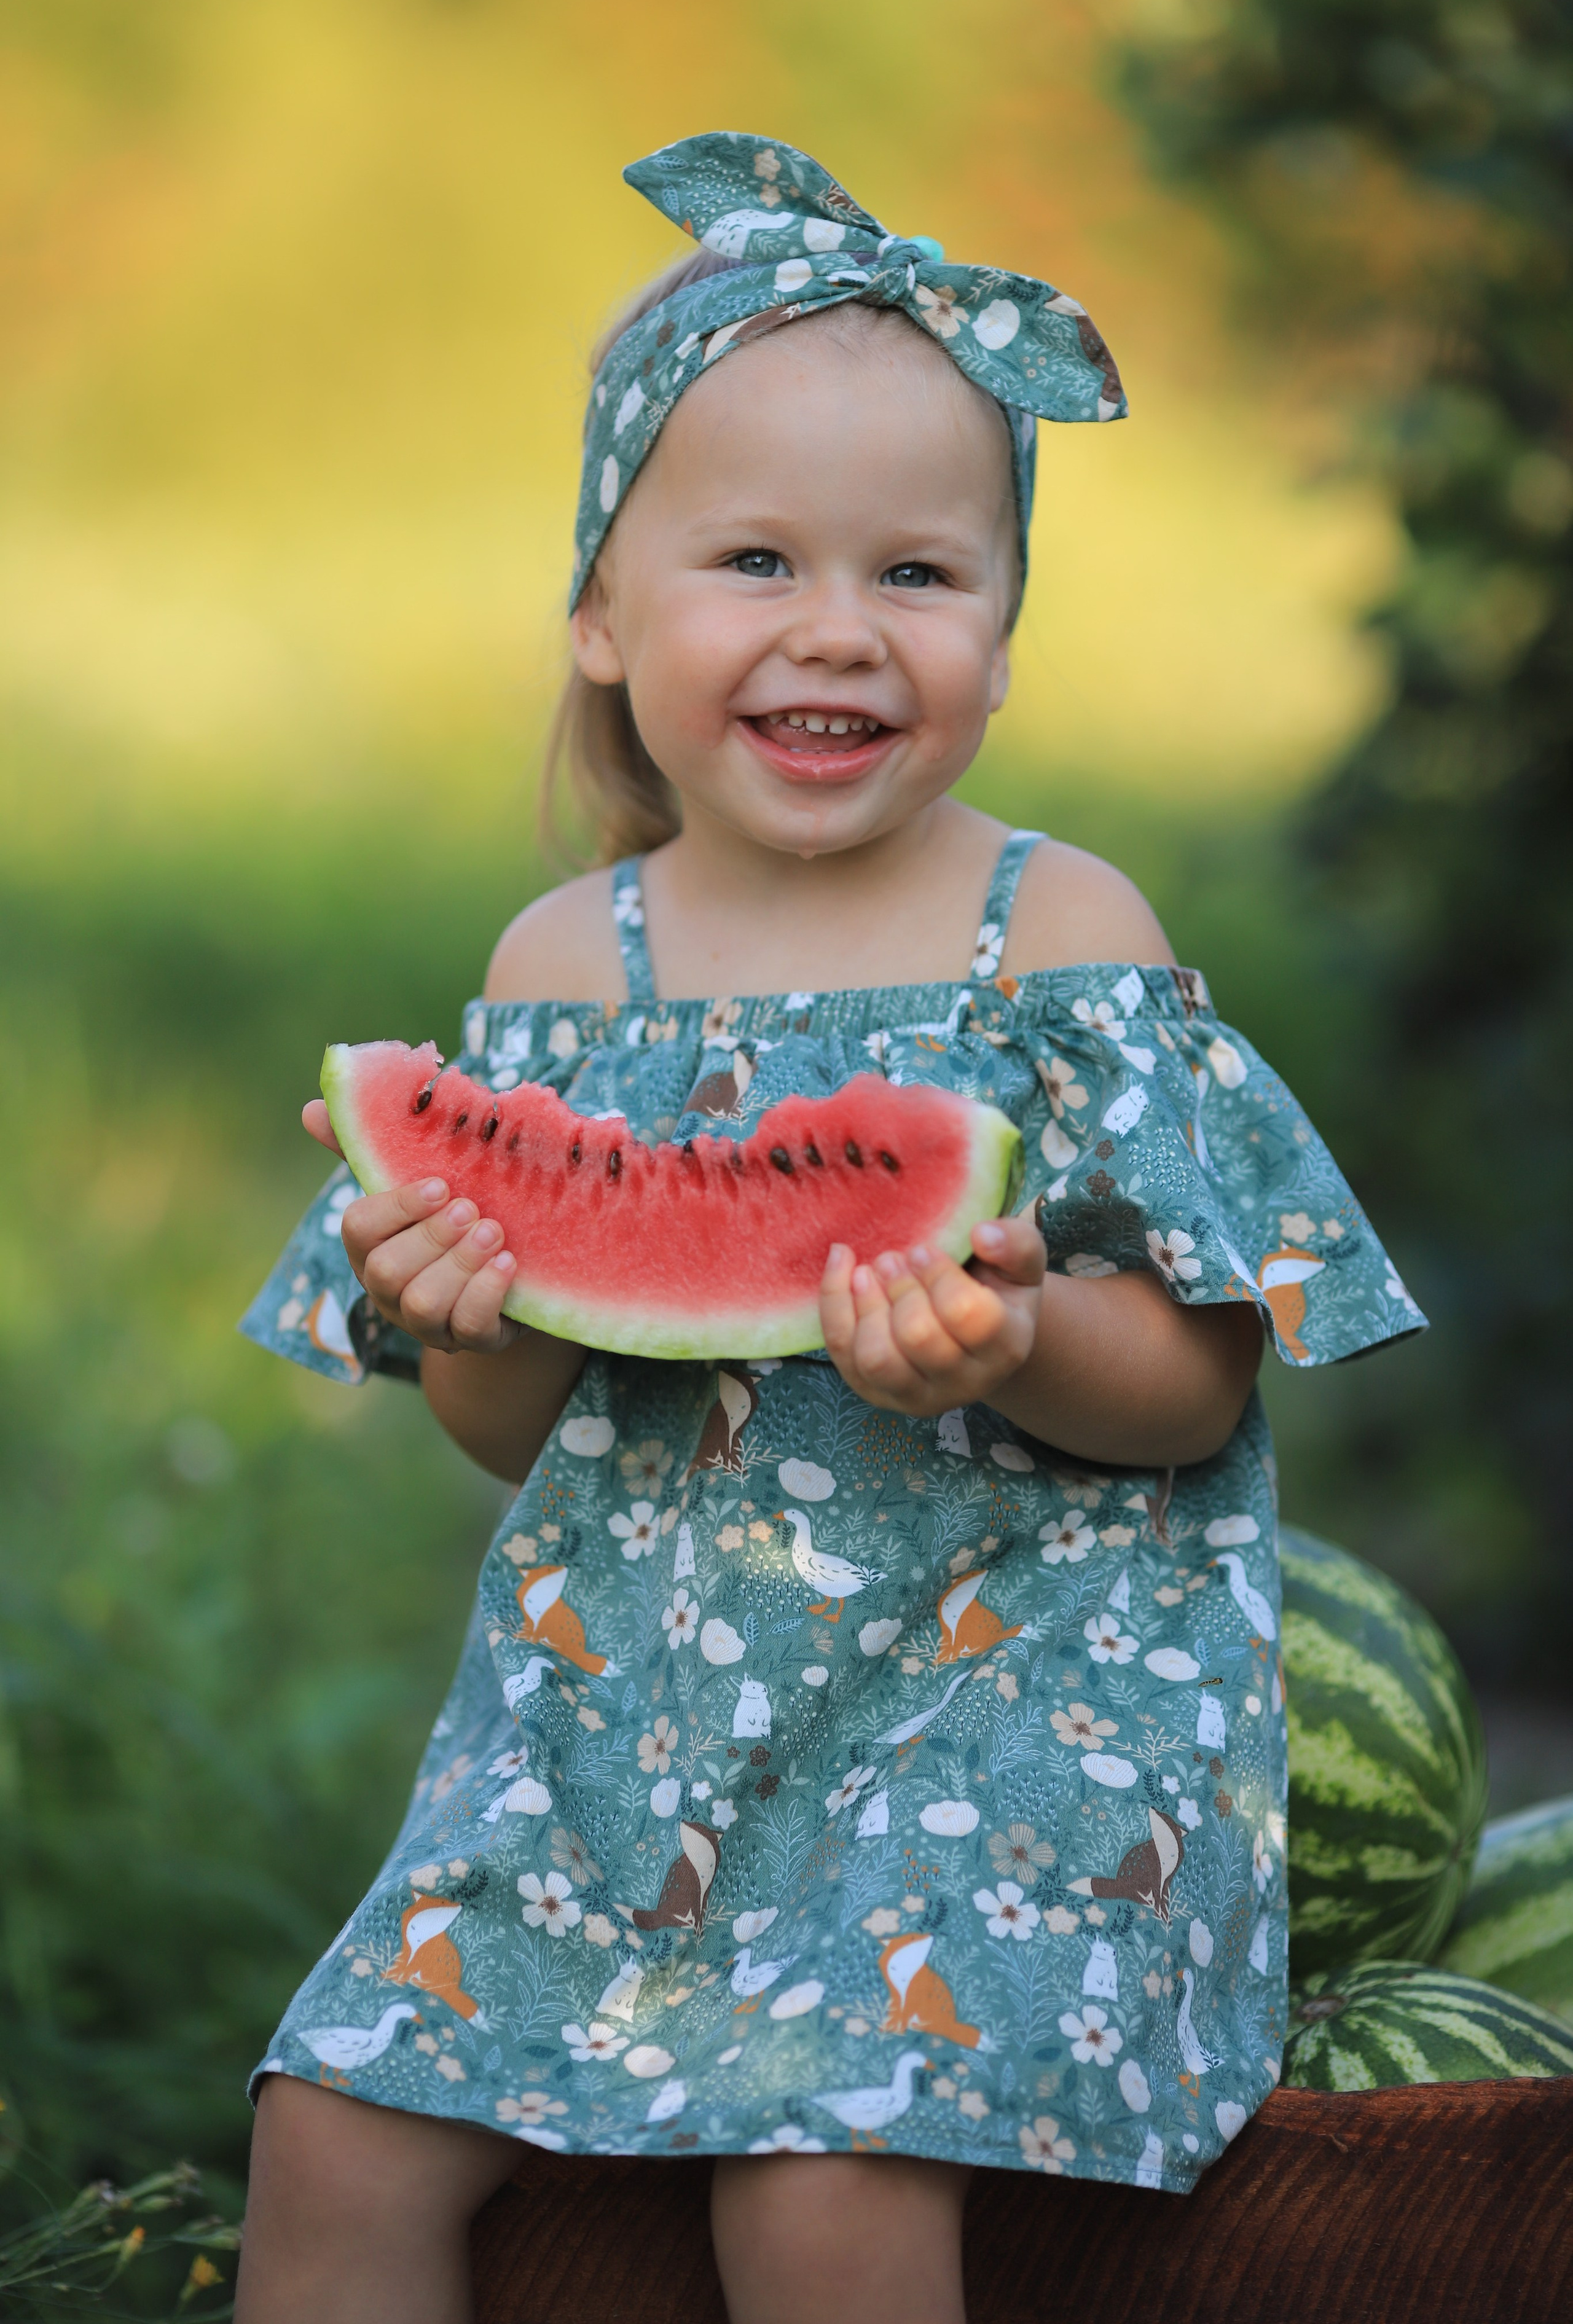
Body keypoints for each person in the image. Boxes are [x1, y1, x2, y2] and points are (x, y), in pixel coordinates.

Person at [233, 133, 1424, 2324]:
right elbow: (525, 1433)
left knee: (820, 2174)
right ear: (602, 614)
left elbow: (1192, 1391)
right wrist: (470, 1318)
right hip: (624, 1738)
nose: (838, 633)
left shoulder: (1060, 939)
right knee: (328, 2136)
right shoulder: (563, 975)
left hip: (1009, 1738)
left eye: (921, 575)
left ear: (1003, 627)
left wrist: (1020, 1348)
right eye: (757, 558)